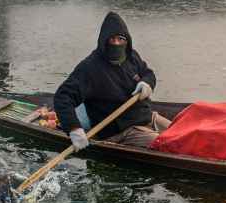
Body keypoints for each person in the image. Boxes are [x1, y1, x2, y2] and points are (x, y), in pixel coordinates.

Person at [54, 12, 171, 151]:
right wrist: (74, 128)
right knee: (169, 145)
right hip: (120, 131)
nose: (116, 43)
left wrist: (146, 83)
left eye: (120, 39)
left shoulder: (131, 56)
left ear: (127, 41)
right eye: (112, 39)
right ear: (103, 41)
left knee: (182, 132)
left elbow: (148, 73)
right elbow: (63, 97)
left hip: (146, 117)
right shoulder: (90, 67)